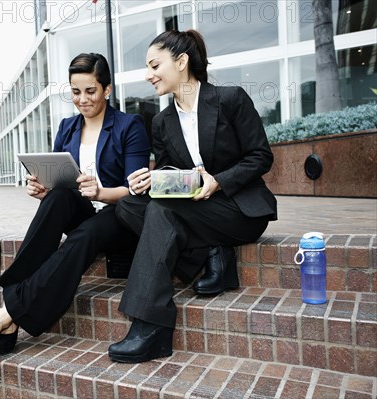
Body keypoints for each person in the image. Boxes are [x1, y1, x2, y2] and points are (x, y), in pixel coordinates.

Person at [0, 53, 150, 364]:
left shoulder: (130, 125)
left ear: (107, 90)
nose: (82, 99)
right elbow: (63, 181)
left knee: (85, 234)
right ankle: (13, 313)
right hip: (84, 213)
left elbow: (136, 189)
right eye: (75, 92)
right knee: (58, 198)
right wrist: (42, 189)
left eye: (90, 91)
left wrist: (101, 191)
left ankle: (4, 316)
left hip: (121, 217)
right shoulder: (67, 128)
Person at [107, 29, 278, 363]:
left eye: (155, 65)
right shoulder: (161, 121)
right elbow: (172, 175)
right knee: (129, 205)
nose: (148, 74)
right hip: (194, 209)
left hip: (237, 209)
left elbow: (261, 157)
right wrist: (150, 181)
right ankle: (212, 253)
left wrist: (218, 181)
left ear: (181, 61)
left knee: (160, 213)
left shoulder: (230, 99)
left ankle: (150, 325)